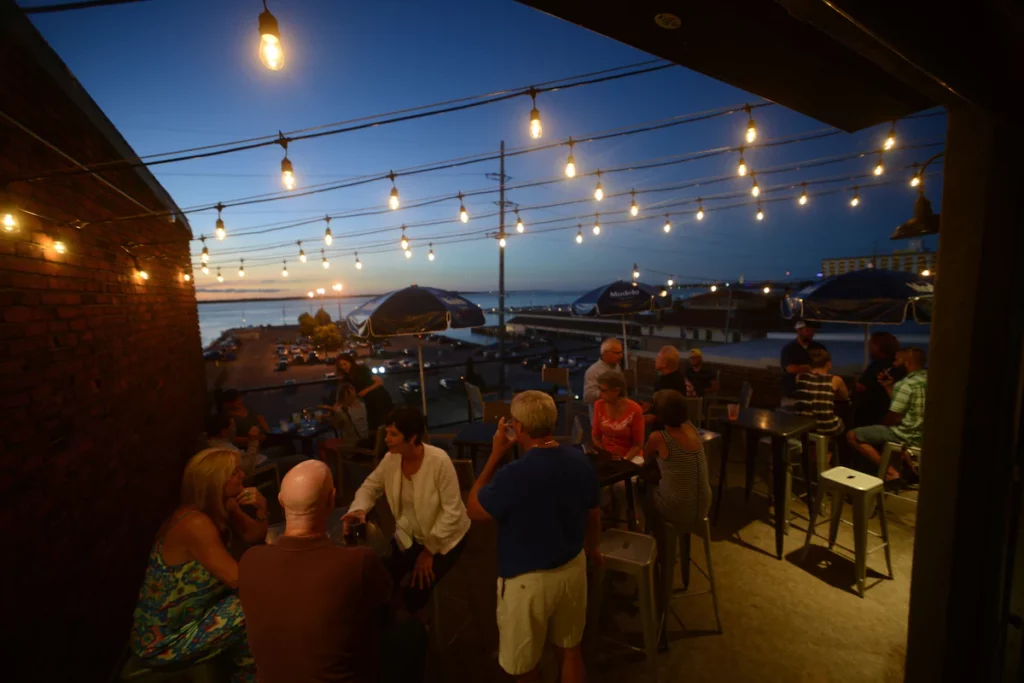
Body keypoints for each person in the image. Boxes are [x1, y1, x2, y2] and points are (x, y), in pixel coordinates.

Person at [466, 391, 602, 683]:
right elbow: (594, 513)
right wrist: (593, 548)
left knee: (525, 666)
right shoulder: (579, 460)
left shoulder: (514, 475)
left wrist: (495, 454)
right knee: (571, 651)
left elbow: (474, 509)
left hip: (527, 581)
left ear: (520, 428)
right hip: (572, 568)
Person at [239, 460, 392, 683]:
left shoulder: (249, 561)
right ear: (331, 499)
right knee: (409, 632)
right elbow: (383, 604)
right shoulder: (358, 562)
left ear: (281, 501)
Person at [129, 449, 267, 682]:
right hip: (163, 641)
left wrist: (262, 509)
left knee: (251, 603)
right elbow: (239, 581)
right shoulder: (195, 524)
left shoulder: (223, 506)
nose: (243, 475)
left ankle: (252, 672)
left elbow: (253, 535)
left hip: (195, 618)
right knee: (250, 606)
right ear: (216, 482)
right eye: (235, 472)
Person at [342, 407, 470, 618]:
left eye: (393, 435)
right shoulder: (391, 459)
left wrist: (428, 552)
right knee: (379, 579)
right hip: (408, 535)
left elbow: (453, 513)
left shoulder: (439, 461)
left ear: (412, 438)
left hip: (446, 536)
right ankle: (387, 628)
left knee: (416, 588)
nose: (387, 439)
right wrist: (358, 510)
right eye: (387, 433)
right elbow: (370, 487)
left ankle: (415, 631)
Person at [846, 347, 928, 481]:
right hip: (924, 434)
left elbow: (894, 416)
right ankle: (899, 470)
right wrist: (888, 387)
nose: (892, 363)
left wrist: (881, 425)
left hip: (907, 435)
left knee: (852, 435)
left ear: (904, 362)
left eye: (896, 360)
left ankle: (890, 472)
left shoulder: (905, 384)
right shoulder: (929, 378)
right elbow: (906, 406)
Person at [642, 390, 712, 526]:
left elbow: (645, 458)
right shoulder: (690, 427)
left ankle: (652, 532)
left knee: (642, 488)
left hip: (677, 510)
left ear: (658, 413)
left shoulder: (658, 437)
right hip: (704, 506)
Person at [790, 349, 848, 438]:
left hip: (803, 427)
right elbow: (845, 397)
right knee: (843, 420)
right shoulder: (835, 380)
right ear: (828, 364)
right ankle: (834, 449)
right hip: (827, 427)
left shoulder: (799, 377)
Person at [854, 331, 906, 426]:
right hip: (895, 410)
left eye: (871, 345)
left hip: (875, 411)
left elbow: (861, 386)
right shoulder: (899, 364)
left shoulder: (878, 364)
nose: (869, 348)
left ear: (877, 347)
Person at [592, 370, 645, 462]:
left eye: (603, 390)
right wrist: (604, 456)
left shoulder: (635, 409)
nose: (600, 394)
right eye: (599, 389)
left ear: (617, 390)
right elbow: (596, 437)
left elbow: (638, 444)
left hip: (629, 455)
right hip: (606, 453)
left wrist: (624, 460)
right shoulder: (598, 405)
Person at [336, 353, 395, 431]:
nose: (343, 367)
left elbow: (379, 382)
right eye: (341, 366)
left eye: (345, 364)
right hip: (369, 402)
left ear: (350, 362)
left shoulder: (362, 370)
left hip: (380, 398)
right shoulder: (347, 378)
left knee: (385, 424)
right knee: (373, 426)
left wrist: (366, 390)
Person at [780, 321, 827, 409]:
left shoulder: (819, 348)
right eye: (808, 330)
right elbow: (790, 369)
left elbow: (825, 367)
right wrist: (811, 368)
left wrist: (802, 368)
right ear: (799, 331)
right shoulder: (789, 349)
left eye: (813, 331)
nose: (811, 333)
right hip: (793, 394)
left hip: (815, 395)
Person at [642, 346, 687, 427]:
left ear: (664, 363)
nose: (655, 360)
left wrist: (655, 418)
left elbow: (673, 411)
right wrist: (651, 406)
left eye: (658, 357)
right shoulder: (675, 377)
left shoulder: (669, 382)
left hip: (666, 429)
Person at [320, 382, 373, 450]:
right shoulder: (362, 405)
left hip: (353, 449)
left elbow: (335, 425)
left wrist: (327, 416)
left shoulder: (342, 411)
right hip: (365, 443)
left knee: (324, 444)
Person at [583, 338, 624, 409]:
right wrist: (604, 393)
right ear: (605, 353)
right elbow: (587, 397)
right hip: (602, 414)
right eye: (617, 353)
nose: (621, 356)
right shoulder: (593, 371)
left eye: (621, 352)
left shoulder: (617, 367)